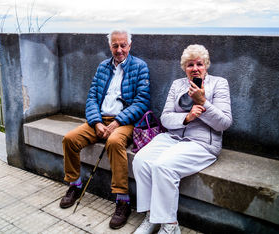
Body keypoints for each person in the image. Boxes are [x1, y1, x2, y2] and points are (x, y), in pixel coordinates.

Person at [132, 44, 232, 234]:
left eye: (199, 64)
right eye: (190, 65)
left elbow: (224, 123)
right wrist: (187, 118)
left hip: (202, 144)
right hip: (173, 137)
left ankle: (170, 226)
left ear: (206, 66)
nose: (195, 68)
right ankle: (152, 216)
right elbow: (165, 118)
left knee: (163, 166)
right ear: (184, 68)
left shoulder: (219, 83)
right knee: (141, 161)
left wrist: (203, 104)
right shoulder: (178, 84)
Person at [59, 29, 151, 229]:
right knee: (70, 139)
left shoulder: (139, 67)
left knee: (114, 141)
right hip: (100, 119)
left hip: (124, 121)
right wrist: (97, 122)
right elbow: (92, 97)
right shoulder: (102, 67)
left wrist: (117, 123)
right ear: (110, 46)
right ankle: (74, 185)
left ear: (129, 45)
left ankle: (122, 200)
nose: (119, 50)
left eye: (123, 45)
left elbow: (142, 102)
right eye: (115, 45)